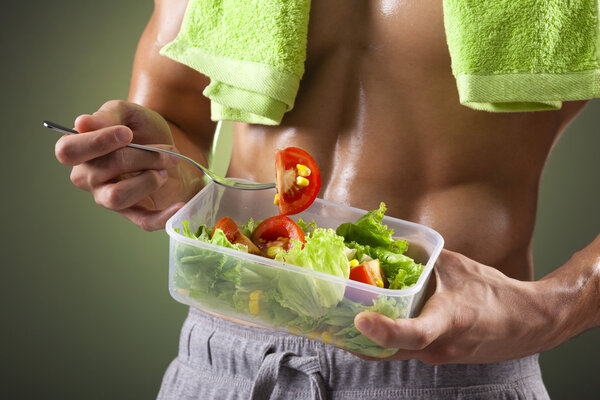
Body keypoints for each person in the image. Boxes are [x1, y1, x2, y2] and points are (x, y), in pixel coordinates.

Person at [54, 1, 599, 398]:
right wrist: (156, 166)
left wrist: (553, 309)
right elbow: (172, 106)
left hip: (447, 375)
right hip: (224, 363)